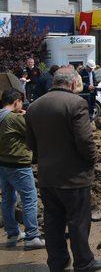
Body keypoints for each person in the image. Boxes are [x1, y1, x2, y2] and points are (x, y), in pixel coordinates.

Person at [25, 67, 101, 271]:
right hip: (74, 177)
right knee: (78, 222)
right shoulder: (76, 103)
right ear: (71, 84)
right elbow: (85, 140)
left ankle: (57, 262)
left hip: (48, 177)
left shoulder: (34, 106)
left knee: (53, 223)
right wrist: (92, 159)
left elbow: (31, 143)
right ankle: (84, 261)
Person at [0, 88, 45, 250]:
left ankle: (12, 234)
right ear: (16, 102)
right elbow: (33, 132)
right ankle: (32, 236)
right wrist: (26, 116)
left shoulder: (2, 116)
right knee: (30, 199)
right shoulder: (13, 119)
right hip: (18, 165)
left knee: (8, 199)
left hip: (3, 164)